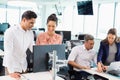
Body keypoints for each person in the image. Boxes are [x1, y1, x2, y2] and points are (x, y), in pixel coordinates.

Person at [3, 10, 37, 78]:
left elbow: (33, 48)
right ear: (24, 20)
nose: (33, 25)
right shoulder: (10, 32)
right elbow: (8, 53)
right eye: (31, 23)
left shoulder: (30, 33)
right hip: (12, 67)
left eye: (34, 23)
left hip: (23, 66)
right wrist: (11, 72)